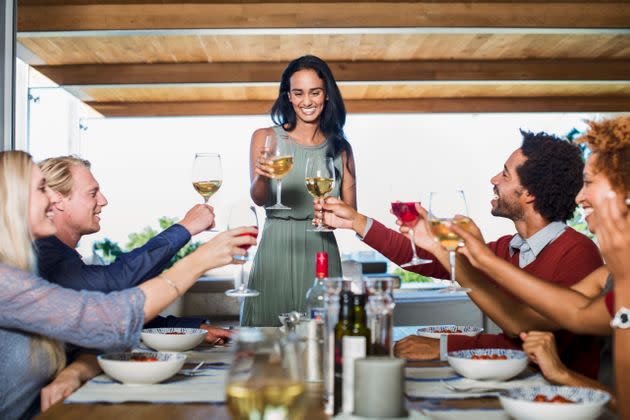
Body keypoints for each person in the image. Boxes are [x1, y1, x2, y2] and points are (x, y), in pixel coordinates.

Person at [317, 131, 603, 379]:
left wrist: (446, 347)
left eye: (504, 173)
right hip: (511, 386)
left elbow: (535, 343)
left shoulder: (578, 253)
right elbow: (425, 259)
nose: (493, 179)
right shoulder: (508, 248)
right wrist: (355, 221)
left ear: (528, 193)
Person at [0, 150, 256, 420]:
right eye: (42, 189)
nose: (52, 196)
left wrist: (77, 371)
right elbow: (108, 313)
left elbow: (90, 323)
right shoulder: (10, 279)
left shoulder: (22, 271)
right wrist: (197, 260)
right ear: (13, 200)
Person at [446, 116, 628, 404]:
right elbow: (522, 320)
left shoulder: (593, 261)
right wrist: (563, 376)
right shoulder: (613, 276)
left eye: (589, 183)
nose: (579, 197)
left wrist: (481, 258)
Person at [36, 156, 230, 344]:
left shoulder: (59, 253)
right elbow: (117, 282)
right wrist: (185, 228)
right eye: (93, 193)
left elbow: (113, 312)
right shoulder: (42, 253)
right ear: (58, 200)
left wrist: (190, 329)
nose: (103, 201)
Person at [242, 55, 357, 326]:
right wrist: (261, 176)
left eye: (315, 92)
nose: (307, 101)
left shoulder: (341, 148)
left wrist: (330, 210)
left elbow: (351, 213)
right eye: (299, 93)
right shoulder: (265, 137)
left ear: (327, 95)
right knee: (266, 340)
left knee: (323, 340)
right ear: (289, 97)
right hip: (276, 246)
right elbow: (260, 199)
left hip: (321, 248)